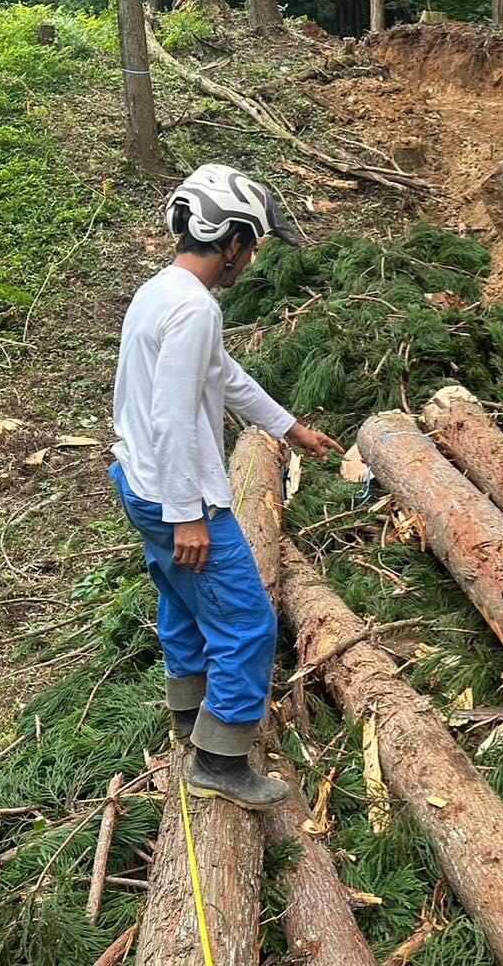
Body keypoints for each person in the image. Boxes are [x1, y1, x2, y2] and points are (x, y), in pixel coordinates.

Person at [110, 164, 341, 809]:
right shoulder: (193, 312)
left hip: (139, 480)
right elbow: (175, 417)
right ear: (231, 239)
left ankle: (188, 714)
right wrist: (189, 515)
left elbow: (225, 376)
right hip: (175, 496)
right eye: (252, 241)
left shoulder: (162, 292)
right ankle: (220, 761)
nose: (253, 255)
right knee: (246, 621)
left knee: (183, 602)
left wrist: (289, 428)